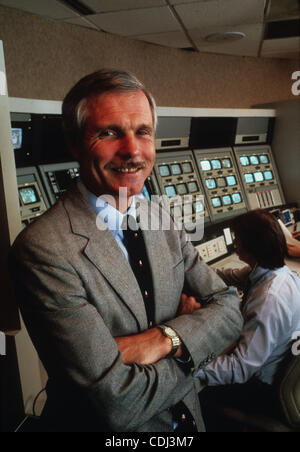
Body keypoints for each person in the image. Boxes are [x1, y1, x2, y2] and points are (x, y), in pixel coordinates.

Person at [10, 69, 243, 433]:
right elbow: (118, 403)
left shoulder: (162, 217)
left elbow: (229, 308)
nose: (132, 151)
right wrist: (195, 346)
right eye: (110, 132)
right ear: (74, 142)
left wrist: (164, 339)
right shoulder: (44, 249)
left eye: (142, 132)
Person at [196, 209, 300, 431]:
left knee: (195, 394)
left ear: (252, 247)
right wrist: (194, 270)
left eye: (237, 240)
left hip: (264, 389)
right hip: (282, 375)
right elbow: (230, 276)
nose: (235, 245)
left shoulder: (268, 300)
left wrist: (194, 368)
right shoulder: (276, 272)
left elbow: (240, 369)